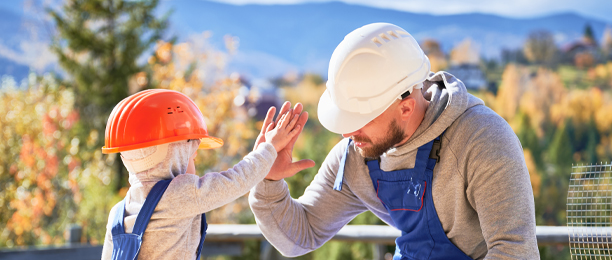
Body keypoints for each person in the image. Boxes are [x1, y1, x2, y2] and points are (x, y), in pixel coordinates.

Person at [248, 23, 539, 259]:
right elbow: (301, 235)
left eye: (360, 120)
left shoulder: (482, 140)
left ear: (406, 107)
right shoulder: (356, 155)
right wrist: (268, 183)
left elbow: (515, 252)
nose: (348, 134)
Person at [100, 89, 307, 260]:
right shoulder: (179, 194)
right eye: (192, 156)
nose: (195, 162)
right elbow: (236, 181)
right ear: (175, 154)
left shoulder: (119, 212)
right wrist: (269, 149)